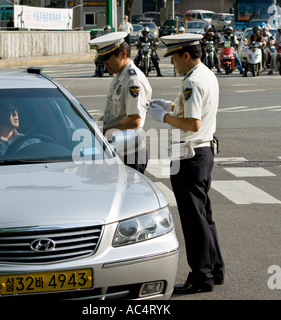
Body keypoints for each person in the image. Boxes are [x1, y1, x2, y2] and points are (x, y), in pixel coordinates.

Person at [147, 33, 224, 293]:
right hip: (203, 152)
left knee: (193, 221)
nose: (173, 64)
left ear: (186, 55)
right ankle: (215, 269)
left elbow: (192, 123)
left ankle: (202, 276)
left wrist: (164, 117)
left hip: (189, 156)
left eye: (174, 58)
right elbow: (195, 110)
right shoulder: (206, 75)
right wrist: (168, 106)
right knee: (204, 217)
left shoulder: (191, 82)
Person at [88, 32, 152, 173]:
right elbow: (114, 114)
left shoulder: (133, 81)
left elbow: (135, 120)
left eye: (108, 59)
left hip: (129, 151)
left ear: (123, 54)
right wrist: (94, 127)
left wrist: (103, 131)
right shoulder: (119, 75)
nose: (104, 64)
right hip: (118, 147)